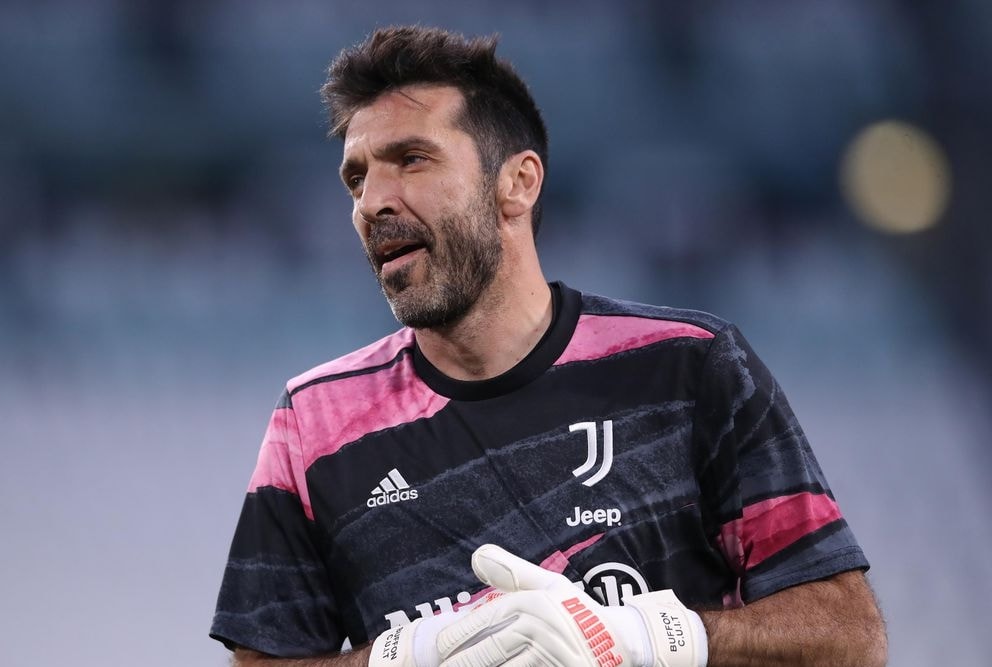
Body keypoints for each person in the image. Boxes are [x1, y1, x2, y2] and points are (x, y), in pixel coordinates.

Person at [210, 25, 887, 667]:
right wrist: (408, 655)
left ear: (518, 183)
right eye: (357, 178)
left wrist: (641, 634)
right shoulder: (314, 420)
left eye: (411, 159)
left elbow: (848, 633)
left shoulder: (688, 367)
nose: (373, 201)